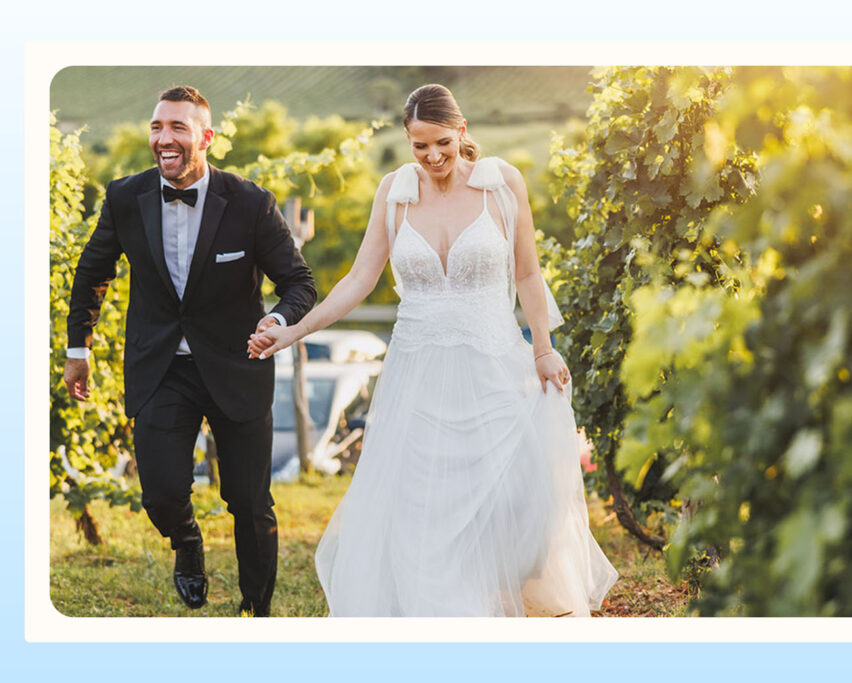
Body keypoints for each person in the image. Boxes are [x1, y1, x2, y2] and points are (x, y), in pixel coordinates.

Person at [249, 84, 617, 616]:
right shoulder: (395, 193)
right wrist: (294, 330)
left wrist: (543, 348)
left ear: (461, 130)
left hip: (493, 368)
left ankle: (504, 592)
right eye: (419, 146)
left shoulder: (501, 184)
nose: (433, 156)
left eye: (441, 142)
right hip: (417, 377)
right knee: (422, 509)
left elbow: (529, 274)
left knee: (520, 496)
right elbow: (358, 280)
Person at [64, 85, 317, 617]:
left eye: (178, 127)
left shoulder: (250, 202)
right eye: (157, 127)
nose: (165, 138)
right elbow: (92, 275)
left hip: (238, 364)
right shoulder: (124, 198)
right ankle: (187, 545)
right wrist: (77, 347)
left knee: (250, 504)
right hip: (161, 368)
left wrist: (276, 319)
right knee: (158, 492)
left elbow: (298, 282)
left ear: (207, 137)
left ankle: (257, 611)